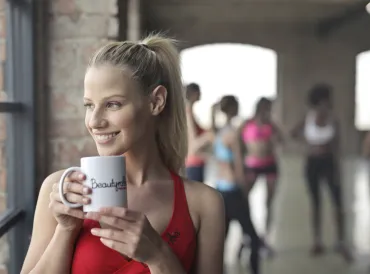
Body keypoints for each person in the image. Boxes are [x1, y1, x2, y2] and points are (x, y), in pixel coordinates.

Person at [21, 35, 225, 274]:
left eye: (113, 104)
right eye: (89, 105)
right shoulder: (60, 191)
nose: (94, 121)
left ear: (156, 102)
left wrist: (158, 256)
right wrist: (66, 229)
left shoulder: (204, 204)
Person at [290, 83, 352, 262]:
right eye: (326, 99)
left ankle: (340, 241)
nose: (328, 103)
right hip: (312, 163)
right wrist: (307, 145)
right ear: (318, 101)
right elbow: (293, 133)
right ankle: (317, 241)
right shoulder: (307, 118)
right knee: (315, 202)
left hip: (329, 163)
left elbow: (337, 148)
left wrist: (338, 170)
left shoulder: (334, 120)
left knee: (337, 202)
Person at [212, 96, 261, 274]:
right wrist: (245, 190)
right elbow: (239, 166)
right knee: (254, 238)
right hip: (234, 191)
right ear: (233, 108)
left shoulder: (219, 133)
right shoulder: (233, 134)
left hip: (220, 191)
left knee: (222, 239)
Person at [240, 97, 283, 254]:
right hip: (252, 166)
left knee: (269, 202)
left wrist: (275, 138)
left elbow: (281, 141)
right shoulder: (247, 124)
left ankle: (265, 238)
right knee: (243, 201)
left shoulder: (271, 125)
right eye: (266, 108)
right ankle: (247, 235)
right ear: (259, 108)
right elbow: (238, 143)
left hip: (270, 165)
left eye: (270, 108)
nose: (268, 111)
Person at [185, 83, 213, 182]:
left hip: (196, 164)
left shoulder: (191, 113)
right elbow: (193, 146)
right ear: (193, 93)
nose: (201, 93)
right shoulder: (187, 113)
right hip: (193, 164)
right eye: (198, 91)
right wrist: (209, 136)